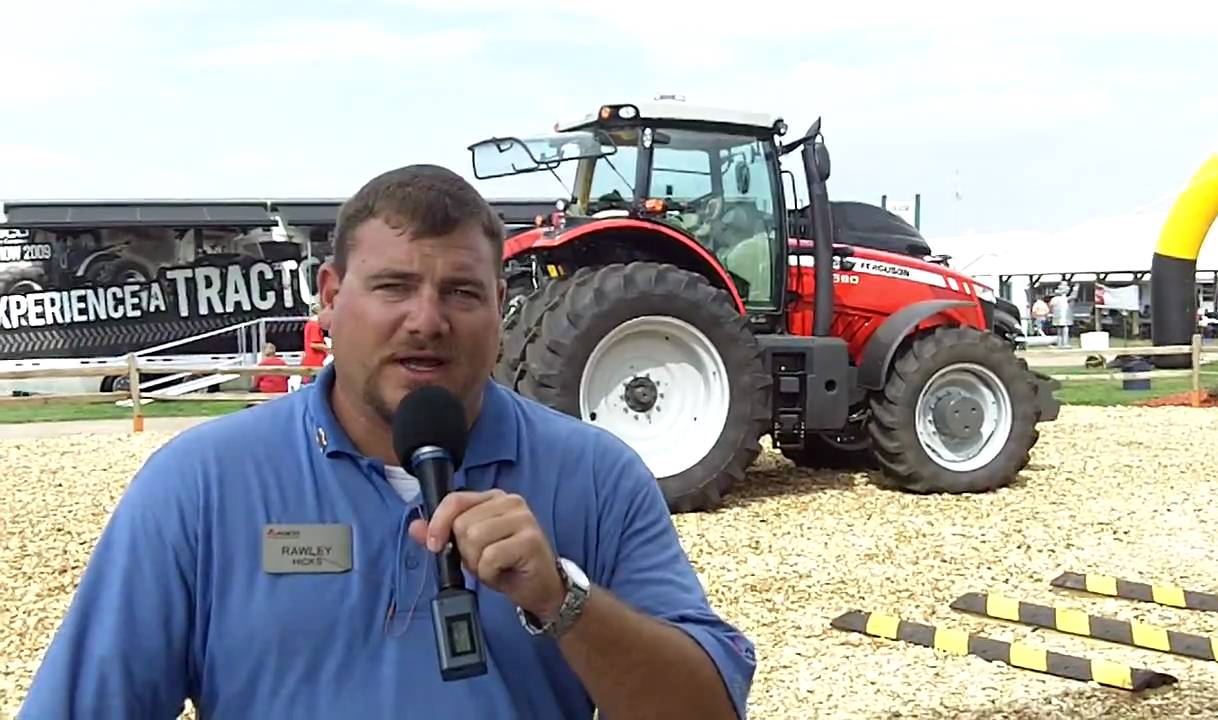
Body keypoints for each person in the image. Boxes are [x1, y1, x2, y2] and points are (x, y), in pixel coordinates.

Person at [19, 164, 755, 719]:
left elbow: (706, 710)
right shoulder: (201, 486)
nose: (428, 320)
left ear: (503, 307)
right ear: (331, 296)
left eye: (462, 293)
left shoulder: (595, 478)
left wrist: (561, 600)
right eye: (394, 287)